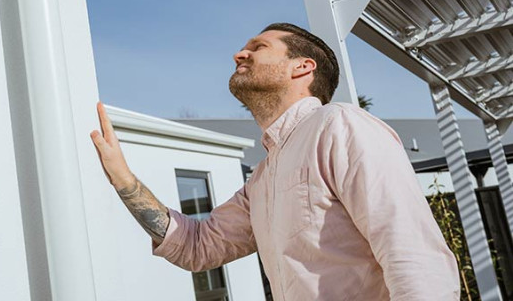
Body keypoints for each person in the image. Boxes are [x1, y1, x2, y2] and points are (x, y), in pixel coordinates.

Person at [90, 22, 460, 300]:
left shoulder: (340, 126)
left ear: (301, 67)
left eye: (259, 47)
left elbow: (413, 256)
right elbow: (196, 246)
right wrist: (124, 180)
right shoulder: (263, 178)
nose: (240, 54)